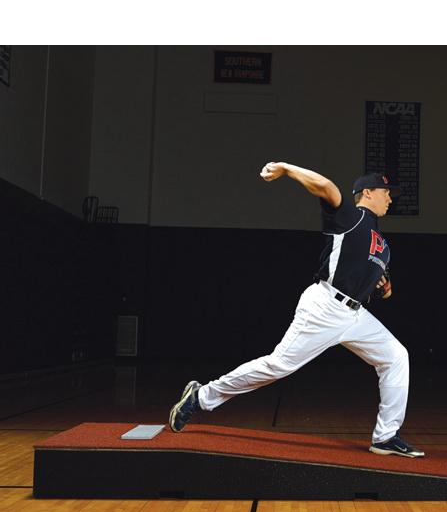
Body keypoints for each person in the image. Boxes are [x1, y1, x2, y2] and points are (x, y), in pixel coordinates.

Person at [169, 162, 424, 458]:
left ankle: (386, 436)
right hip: (325, 306)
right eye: (386, 192)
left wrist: (385, 287)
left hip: (355, 315)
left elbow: (384, 286)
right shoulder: (352, 217)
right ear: (367, 192)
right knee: (278, 366)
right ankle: (200, 396)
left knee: (395, 356)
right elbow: (327, 186)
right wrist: (286, 169)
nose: (390, 198)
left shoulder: (380, 240)